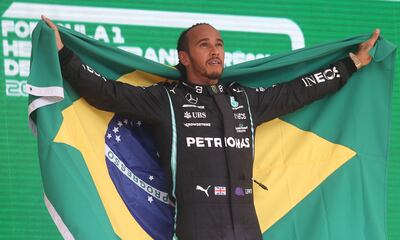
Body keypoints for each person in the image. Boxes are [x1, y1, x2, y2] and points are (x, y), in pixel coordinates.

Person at [41, 15, 379, 240]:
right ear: (185, 57)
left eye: (218, 44)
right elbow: (107, 93)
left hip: (248, 228)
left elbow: (299, 90)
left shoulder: (245, 100)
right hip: (195, 227)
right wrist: (63, 55)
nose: (215, 51)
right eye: (204, 45)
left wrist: (351, 64)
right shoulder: (167, 100)